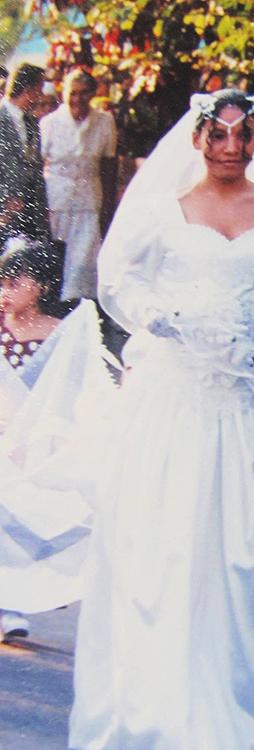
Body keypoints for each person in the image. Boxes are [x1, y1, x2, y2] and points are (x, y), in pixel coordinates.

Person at [68, 90, 254, 750]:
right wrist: (167, 320)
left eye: (245, 134)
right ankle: (171, 712)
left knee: (252, 552)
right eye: (220, 132)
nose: (232, 145)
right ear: (200, 136)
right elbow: (117, 278)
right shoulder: (162, 206)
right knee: (176, 544)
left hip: (252, 395)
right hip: (179, 394)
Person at [0, 239, 114, 641]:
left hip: (34, 444)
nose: (5, 290)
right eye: (2, 281)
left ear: (43, 286)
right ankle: (7, 604)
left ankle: (17, 599)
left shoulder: (61, 336)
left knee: (27, 521)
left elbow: (74, 391)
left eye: (16, 281)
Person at [40, 68, 117, 302]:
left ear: (93, 94)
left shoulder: (104, 122)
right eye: (73, 93)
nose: (77, 99)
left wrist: (109, 206)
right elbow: (38, 163)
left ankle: (80, 305)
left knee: (84, 257)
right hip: (57, 197)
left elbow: (109, 164)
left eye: (84, 94)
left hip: (89, 196)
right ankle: (55, 303)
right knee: (58, 253)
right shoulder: (49, 123)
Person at [0, 63, 49, 246]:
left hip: (30, 216)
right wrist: (4, 199)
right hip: (4, 215)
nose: (41, 95)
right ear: (29, 90)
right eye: (40, 89)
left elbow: (36, 170)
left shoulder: (32, 123)